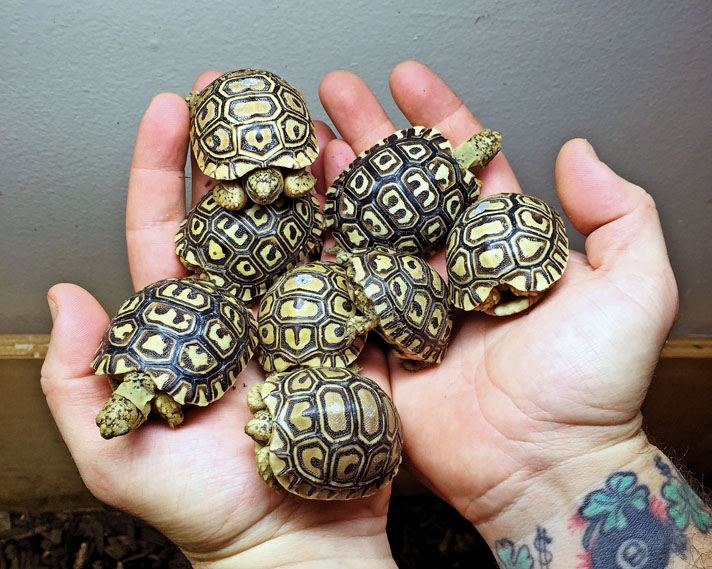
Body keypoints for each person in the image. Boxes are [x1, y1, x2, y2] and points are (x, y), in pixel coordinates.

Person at [41, 61, 710, 568]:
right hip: (294, 328)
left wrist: (567, 453)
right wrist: (575, 463)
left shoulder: (359, 255)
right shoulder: (285, 276)